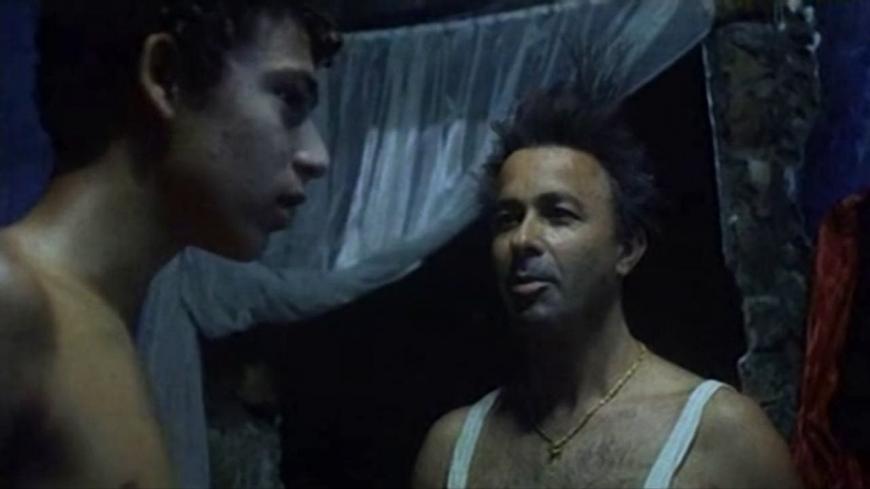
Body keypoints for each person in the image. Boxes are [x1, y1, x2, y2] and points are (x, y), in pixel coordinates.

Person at [0, 1, 340, 486]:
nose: (316, 156)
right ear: (166, 78)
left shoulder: (101, 326)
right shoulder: (13, 303)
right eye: (289, 98)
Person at [412, 84, 801, 488]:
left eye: (558, 214)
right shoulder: (450, 451)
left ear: (626, 249)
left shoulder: (722, 437)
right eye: (508, 219)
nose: (523, 239)